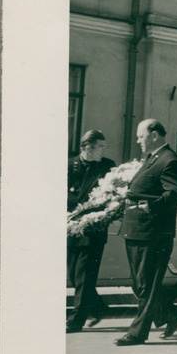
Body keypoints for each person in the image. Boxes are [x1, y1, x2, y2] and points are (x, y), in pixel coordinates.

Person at [114, 119, 177, 346]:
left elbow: (174, 192)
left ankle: (137, 333)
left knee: (147, 284)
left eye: (140, 136)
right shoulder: (152, 159)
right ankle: (170, 314)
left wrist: (152, 206)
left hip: (154, 233)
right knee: (140, 284)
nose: (138, 141)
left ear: (154, 135)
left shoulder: (170, 160)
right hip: (138, 231)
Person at [66, 130, 116, 333]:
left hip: (93, 229)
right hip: (71, 227)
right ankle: (98, 308)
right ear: (87, 147)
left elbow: (112, 195)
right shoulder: (70, 165)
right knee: (73, 275)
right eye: (100, 146)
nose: (104, 150)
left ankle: (76, 320)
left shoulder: (107, 166)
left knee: (85, 276)